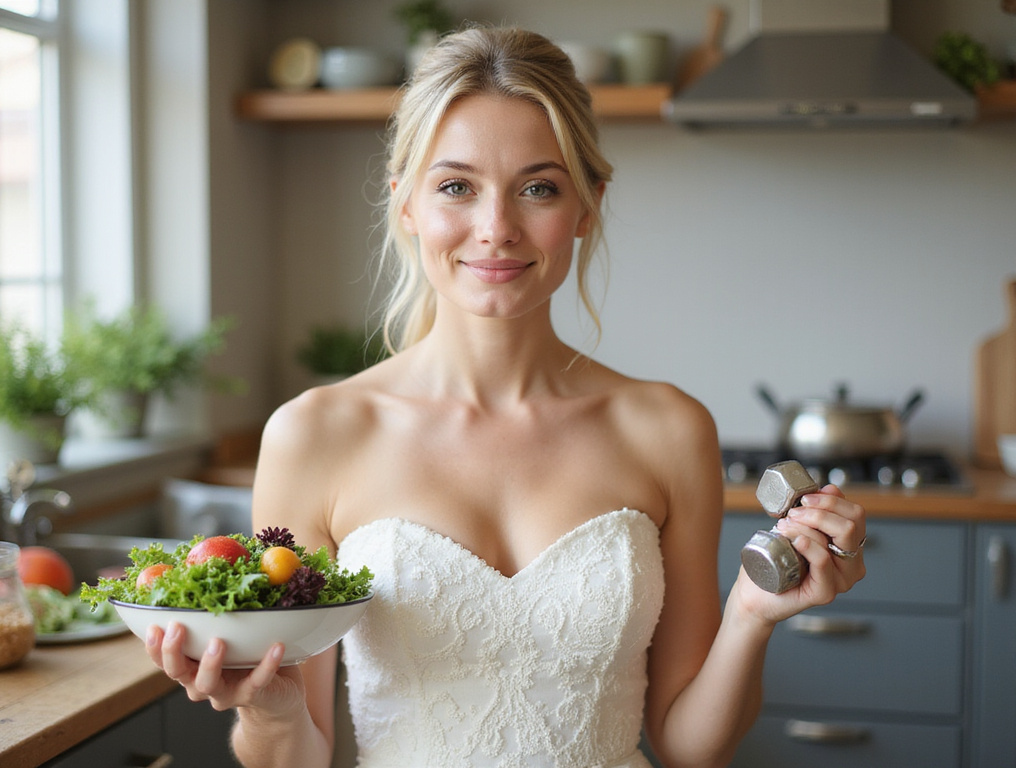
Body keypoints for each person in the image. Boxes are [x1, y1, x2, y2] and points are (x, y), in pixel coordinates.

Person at [143, 26, 867, 768]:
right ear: (407, 206)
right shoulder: (314, 434)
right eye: (456, 186)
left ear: (586, 208)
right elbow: (297, 758)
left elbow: (690, 748)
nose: (495, 229)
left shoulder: (670, 429)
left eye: (539, 188)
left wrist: (752, 615)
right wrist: (271, 711)